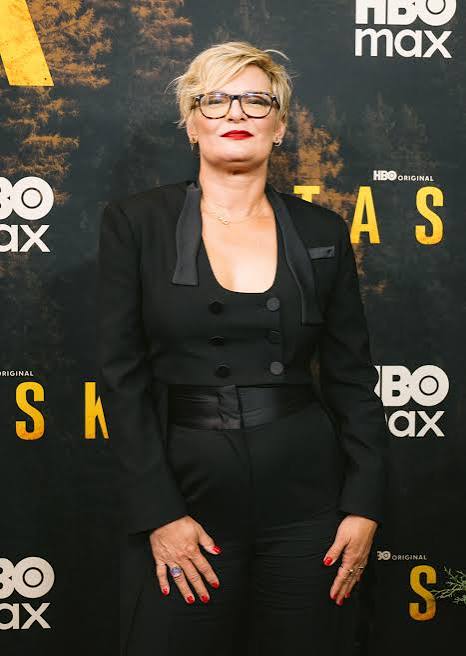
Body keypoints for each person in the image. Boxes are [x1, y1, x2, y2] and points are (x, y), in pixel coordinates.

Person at [97, 40, 389, 656]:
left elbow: (352, 380)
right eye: (216, 99)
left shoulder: (322, 230)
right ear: (191, 121)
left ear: (279, 126)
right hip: (187, 497)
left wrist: (363, 506)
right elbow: (121, 380)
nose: (236, 112)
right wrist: (159, 513)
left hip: (310, 503)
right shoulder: (136, 223)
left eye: (256, 100)